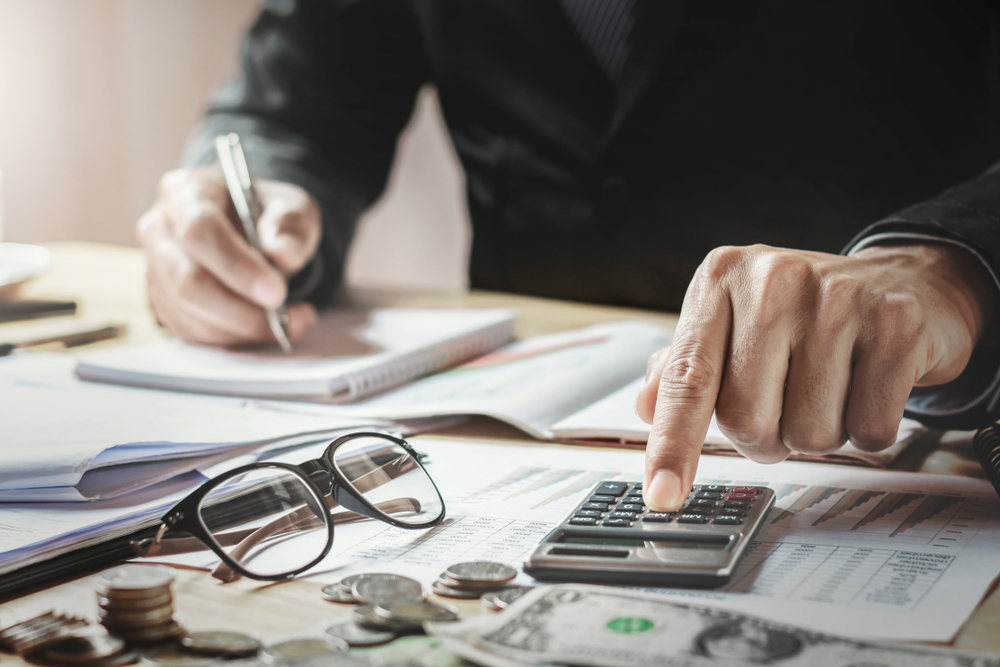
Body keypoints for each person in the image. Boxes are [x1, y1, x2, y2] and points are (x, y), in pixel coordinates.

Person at [137, 1, 999, 513]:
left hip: (905, 436)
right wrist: (240, 199)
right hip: (496, 447)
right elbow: (291, 114)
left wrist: (957, 263)